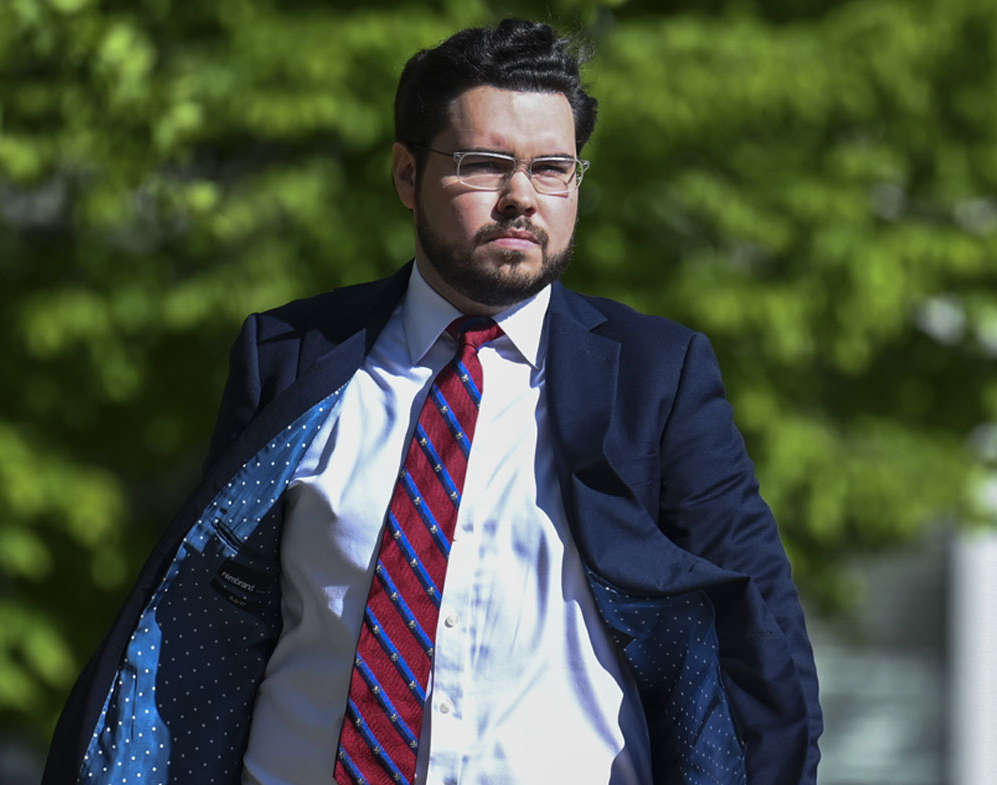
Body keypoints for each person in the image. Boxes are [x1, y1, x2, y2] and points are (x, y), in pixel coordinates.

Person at [42, 18, 821, 785]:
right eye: (485, 164)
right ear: (407, 175)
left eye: (554, 168)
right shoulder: (289, 354)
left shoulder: (656, 376)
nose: (523, 198)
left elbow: (761, 635)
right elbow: (207, 619)